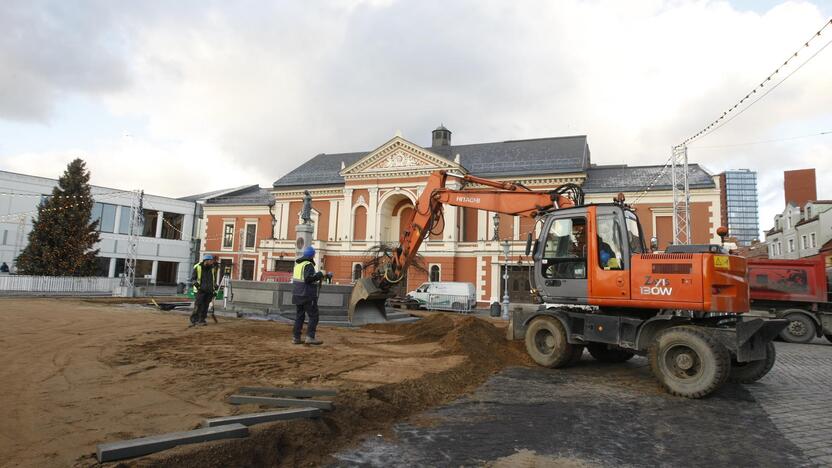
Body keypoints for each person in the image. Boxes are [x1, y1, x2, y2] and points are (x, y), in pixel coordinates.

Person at [292, 245, 325, 345]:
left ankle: (296, 337)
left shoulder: (298, 265)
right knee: (314, 315)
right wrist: (319, 274)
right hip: (307, 295)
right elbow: (308, 278)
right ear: (312, 255)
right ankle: (310, 337)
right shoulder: (308, 265)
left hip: (297, 294)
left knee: (299, 316)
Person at [189, 254, 218, 327]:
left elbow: (213, 279)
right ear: (206, 261)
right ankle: (194, 320)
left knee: (205, 306)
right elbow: (193, 279)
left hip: (209, 290)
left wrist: (215, 286)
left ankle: (202, 320)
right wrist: (195, 283)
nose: (212, 262)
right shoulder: (198, 267)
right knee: (198, 305)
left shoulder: (213, 268)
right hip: (200, 290)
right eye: (211, 260)